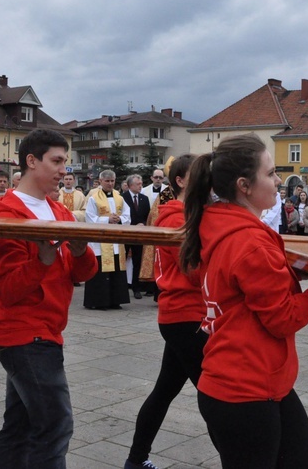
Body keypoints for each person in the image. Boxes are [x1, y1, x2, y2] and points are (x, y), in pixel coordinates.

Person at [179, 133, 308, 469]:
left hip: (254, 382)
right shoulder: (250, 241)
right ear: (244, 185)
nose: (278, 180)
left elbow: (242, 289)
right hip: (245, 391)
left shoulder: (218, 224)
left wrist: (290, 276)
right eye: (270, 173)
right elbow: (282, 319)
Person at [0, 129, 97, 467]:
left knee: (19, 427)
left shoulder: (58, 211)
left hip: (46, 330)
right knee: (54, 425)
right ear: (31, 161)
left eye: (65, 161)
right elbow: (5, 291)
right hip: (24, 334)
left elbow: (82, 274)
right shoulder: (6, 217)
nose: (64, 169)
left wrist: (80, 252)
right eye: (57, 161)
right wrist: (40, 261)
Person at [124, 154, 208, 469]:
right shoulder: (175, 217)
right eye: (200, 174)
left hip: (188, 314)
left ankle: (135, 460)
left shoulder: (192, 213)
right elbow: (193, 270)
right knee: (216, 396)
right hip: (185, 315)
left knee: (163, 392)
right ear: (180, 180)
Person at [84, 169, 131, 310]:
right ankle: (99, 301)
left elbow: (127, 215)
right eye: (107, 181)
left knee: (116, 270)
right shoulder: (93, 197)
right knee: (101, 272)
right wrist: (107, 219)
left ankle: (115, 300)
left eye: (112, 181)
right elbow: (90, 218)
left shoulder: (119, 197)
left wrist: (119, 219)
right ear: (101, 181)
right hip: (100, 241)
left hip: (116, 241)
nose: (110, 184)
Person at [123, 174, 151, 299]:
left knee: (137, 261)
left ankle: (136, 288)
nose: (141, 186)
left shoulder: (144, 199)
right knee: (122, 261)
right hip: (124, 234)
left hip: (138, 236)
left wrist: (143, 224)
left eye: (141, 184)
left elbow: (148, 216)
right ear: (130, 185)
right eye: (138, 184)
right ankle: (122, 286)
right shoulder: (122, 198)